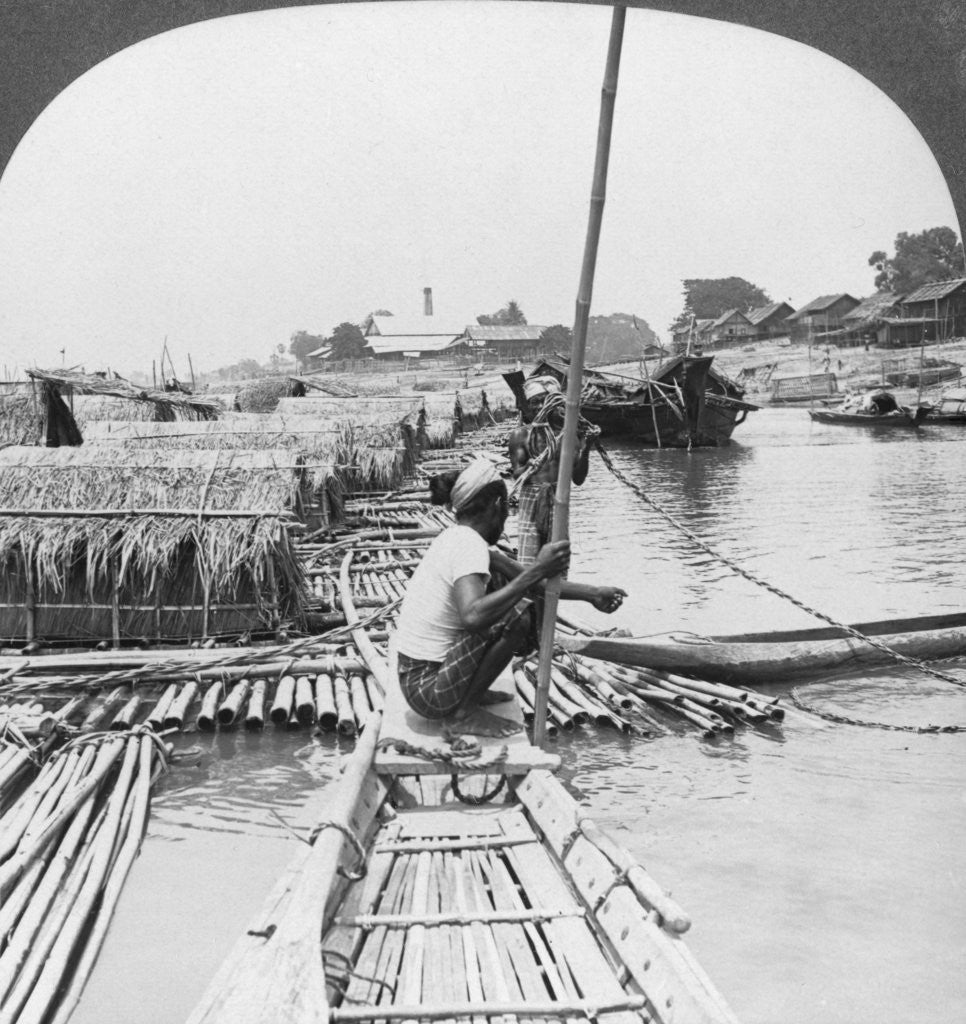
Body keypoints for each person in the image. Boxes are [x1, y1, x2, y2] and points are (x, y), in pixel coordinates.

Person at [394, 460, 626, 737]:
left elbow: (532, 580)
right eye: (507, 507)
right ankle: (463, 713)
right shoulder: (468, 546)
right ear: (497, 505)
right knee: (517, 616)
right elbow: (473, 616)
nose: (506, 519)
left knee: (511, 590)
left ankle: (470, 694)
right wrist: (539, 568)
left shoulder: (460, 538)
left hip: (417, 680)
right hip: (428, 691)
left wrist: (593, 593)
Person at [507, 376, 596, 564]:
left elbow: (578, 479)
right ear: (528, 406)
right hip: (530, 498)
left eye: (544, 400)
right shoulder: (520, 435)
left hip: (559, 497)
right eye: (534, 402)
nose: (539, 406)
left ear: (555, 402)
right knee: (527, 561)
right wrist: (527, 467)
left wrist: (587, 448)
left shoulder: (570, 434)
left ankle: (555, 592)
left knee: (558, 560)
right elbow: (516, 474)